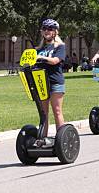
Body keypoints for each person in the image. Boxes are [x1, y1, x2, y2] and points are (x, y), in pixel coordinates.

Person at [34, 18, 66, 146]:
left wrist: (41, 58)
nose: (46, 31)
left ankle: (61, 140)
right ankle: (43, 139)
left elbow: (55, 61)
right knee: (43, 113)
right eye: (44, 29)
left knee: (57, 111)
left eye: (50, 29)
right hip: (41, 82)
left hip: (55, 82)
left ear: (55, 32)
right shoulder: (38, 49)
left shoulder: (60, 47)